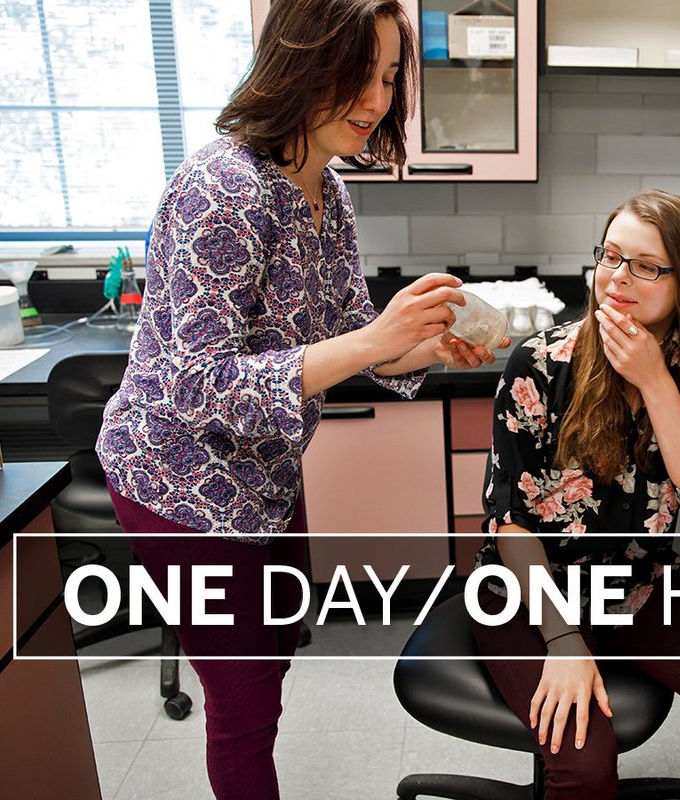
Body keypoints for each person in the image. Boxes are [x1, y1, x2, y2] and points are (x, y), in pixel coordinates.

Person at [95, 1, 503, 796]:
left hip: (266, 474)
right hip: (178, 484)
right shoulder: (223, 190)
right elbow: (197, 384)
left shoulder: (327, 190)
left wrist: (414, 345)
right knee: (242, 704)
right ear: (297, 58)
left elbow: (347, 328)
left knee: (274, 645)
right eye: (355, 74)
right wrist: (372, 341)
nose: (377, 99)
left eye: (388, 76)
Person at [471, 189, 680, 799]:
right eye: (611, 256)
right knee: (583, 761)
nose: (618, 278)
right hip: (527, 596)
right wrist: (563, 639)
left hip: (633, 590)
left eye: (646, 266)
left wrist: (656, 381)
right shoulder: (540, 365)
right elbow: (512, 526)